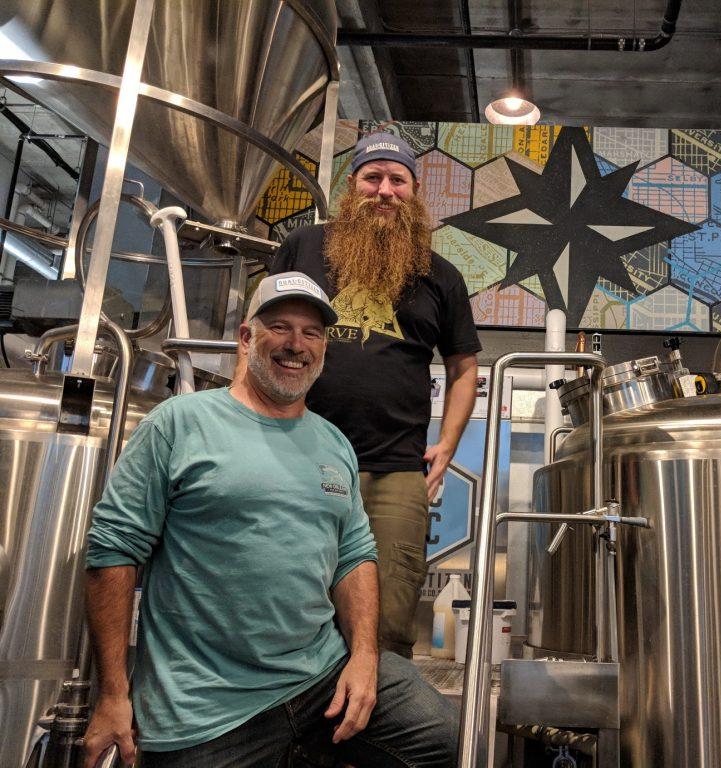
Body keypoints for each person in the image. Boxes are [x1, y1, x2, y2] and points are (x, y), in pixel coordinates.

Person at [82, 272, 458, 768]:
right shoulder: (180, 423)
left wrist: (365, 656)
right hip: (205, 706)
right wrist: (113, 694)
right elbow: (113, 550)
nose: (296, 345)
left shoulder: (333, 443)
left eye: (312, 333)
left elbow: (354, 555)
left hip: (318, 677)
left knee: (440, 736)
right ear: (246, 338)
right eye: (279, 327)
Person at [268, 131, 481, 658]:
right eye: (372, 177)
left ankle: (373, 728)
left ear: (413, 191)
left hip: (395, 470)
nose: (384, 190)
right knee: (285, 605)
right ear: (352, 186)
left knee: (385, 625)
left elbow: (464, 367)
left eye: (397, 180)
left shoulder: (442, 276)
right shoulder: (303, 248)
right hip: (296, 457)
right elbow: (259, 335)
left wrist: (448, 445)